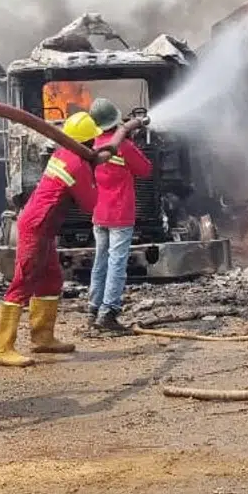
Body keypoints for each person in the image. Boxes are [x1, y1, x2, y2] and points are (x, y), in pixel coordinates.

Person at [0, 111, 103, 367]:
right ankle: (2, 347)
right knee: (23, 282)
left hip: (43, 226)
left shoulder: (64, 154)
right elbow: (90, 204)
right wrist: (97, 167)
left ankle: (43, 337)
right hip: (37, 226)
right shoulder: (77, 164)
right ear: (87, 141)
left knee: (51, 280)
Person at [86, 98, 152, 333]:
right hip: (120, 214)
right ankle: (109, 312)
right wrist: (131, 139)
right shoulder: (123, 146)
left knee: (100, 262)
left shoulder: (94, 144)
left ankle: (93, 309)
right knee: (117, 263)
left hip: (99, 213)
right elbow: (145, 169)